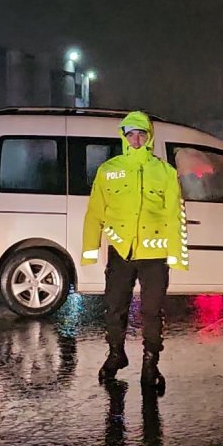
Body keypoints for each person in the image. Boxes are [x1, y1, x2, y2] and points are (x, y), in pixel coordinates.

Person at [81, 111, 188, 392]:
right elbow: (95, 213)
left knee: (152, 311)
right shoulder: (109, 170)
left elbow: (174, 214)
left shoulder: (165, 172)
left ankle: (151, 363)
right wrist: (90, 249)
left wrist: (176, 254)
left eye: (141, 134)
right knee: (114, 306)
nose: (136, 139)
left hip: (154, 254)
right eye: (131, 134)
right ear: (123, 136)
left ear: (149, 136)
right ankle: (116, 354)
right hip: (121, 251)